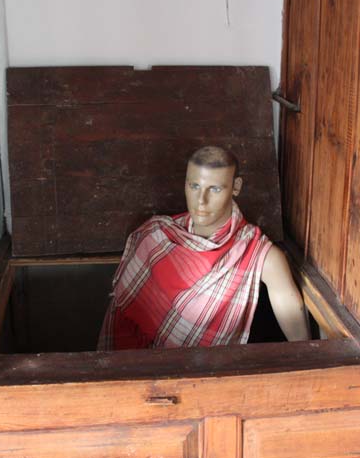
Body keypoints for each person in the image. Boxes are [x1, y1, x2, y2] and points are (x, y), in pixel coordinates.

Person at [97, 146, 310, 350]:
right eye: (194, 186)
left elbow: (300, 340)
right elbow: (120, 323)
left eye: (215, 189)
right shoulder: (155, 237)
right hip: (134, 367)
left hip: (205, 371)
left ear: (236, 187)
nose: (201, 200)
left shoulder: (258, 253)